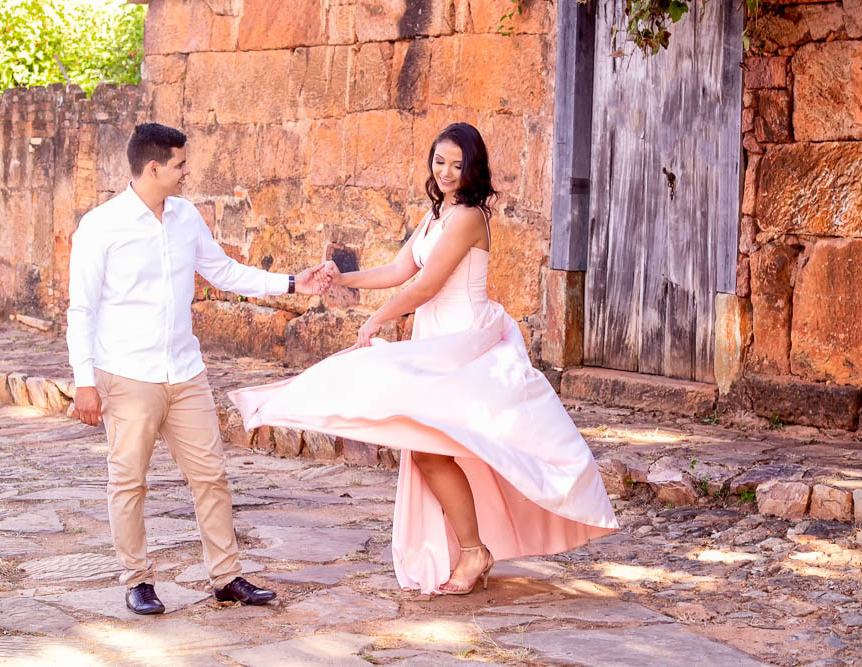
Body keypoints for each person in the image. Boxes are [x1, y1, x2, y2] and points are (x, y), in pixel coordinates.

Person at [230, 122, 618, 595]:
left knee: (435, 448)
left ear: (473, 167)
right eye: (439, 161)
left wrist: (377, 320)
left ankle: (475, 551)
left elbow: (428, 285)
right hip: (435, 339)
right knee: (427, 448)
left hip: (464, 343)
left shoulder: (469, 216)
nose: (447, 172)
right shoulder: (437, 214)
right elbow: (400, 269)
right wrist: (341, 279)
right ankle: (473, 550)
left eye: (457, 164)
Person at [67, 122, 331, 614]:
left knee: (211, 476)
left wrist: (294, 283)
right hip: (127, 375)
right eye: (180, 165)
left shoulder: (185, 217)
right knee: (129, 481)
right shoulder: (100, 227)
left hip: (185, 372)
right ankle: (137, 580)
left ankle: (226, 577)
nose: (187, 172)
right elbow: (81, 309)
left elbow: (224, 271)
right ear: (153, 168)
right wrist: (85, 381)